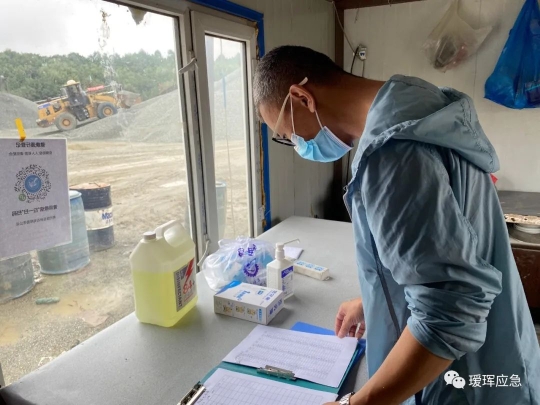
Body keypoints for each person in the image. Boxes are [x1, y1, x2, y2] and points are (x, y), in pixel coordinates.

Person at [253, 45, 540, 405]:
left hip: (465, 383)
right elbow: (444, 251)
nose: (297, 144)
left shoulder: (393, 154)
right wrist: (376, 297)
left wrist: (358, 404)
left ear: (302, 98)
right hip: (504, 354)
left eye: (287, 134)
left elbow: (448, 317)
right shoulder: (421, 108)